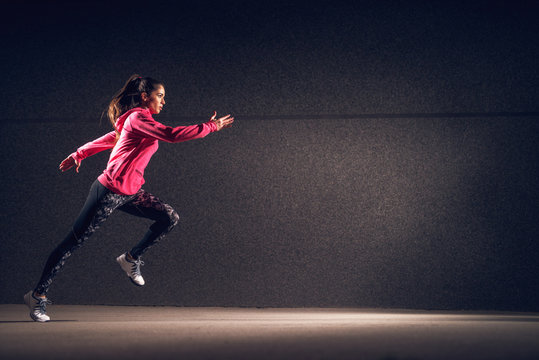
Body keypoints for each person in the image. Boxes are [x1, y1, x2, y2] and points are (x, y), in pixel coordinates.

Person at [24, 74, 234, 322]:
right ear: (145, 97)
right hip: (109, 191)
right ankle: (37, 296)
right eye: (160, 96)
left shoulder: (138, 121)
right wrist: (212, 126)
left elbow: (112, 137)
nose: (163, 101)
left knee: (169, 218)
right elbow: (172, 134)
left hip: (131, 193)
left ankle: (130, 258)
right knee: (72, 243)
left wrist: (79, 153)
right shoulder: (137, 117)